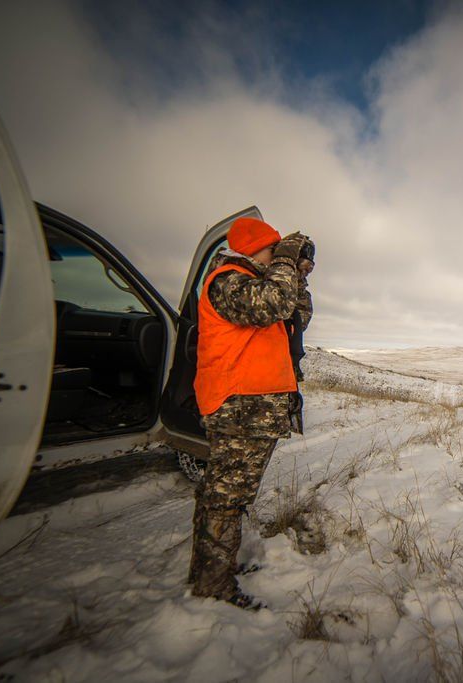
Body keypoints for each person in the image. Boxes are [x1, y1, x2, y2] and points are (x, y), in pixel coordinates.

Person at [188, 216, 312, 608]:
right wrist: (286, 263)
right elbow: (275, 301)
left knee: (231, 495)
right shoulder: (227, 281)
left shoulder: (256, 284)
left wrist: (299, 274)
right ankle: (212, 586)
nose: (279, 256)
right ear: (256, 247)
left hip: (254, 411)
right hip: (238, 408)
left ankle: (213, 570)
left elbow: (296, 315)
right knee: (224, 498)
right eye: (274, 249)